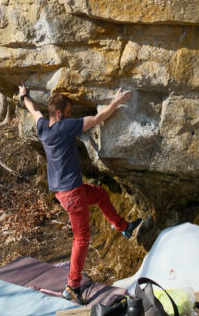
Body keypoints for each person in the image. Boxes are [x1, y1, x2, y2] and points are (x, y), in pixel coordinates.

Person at [19, 83, 143, 304]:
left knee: (101, 195)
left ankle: (123, 227)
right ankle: (72, 286)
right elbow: (97, 119)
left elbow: (32, 109)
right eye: (67, 113)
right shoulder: (64, 127)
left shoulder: (43, 128)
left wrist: (23, 96)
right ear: (60, 114)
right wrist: (117, 101)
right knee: (82, 238)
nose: (69, 116)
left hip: (64, 191)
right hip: (72, 194)